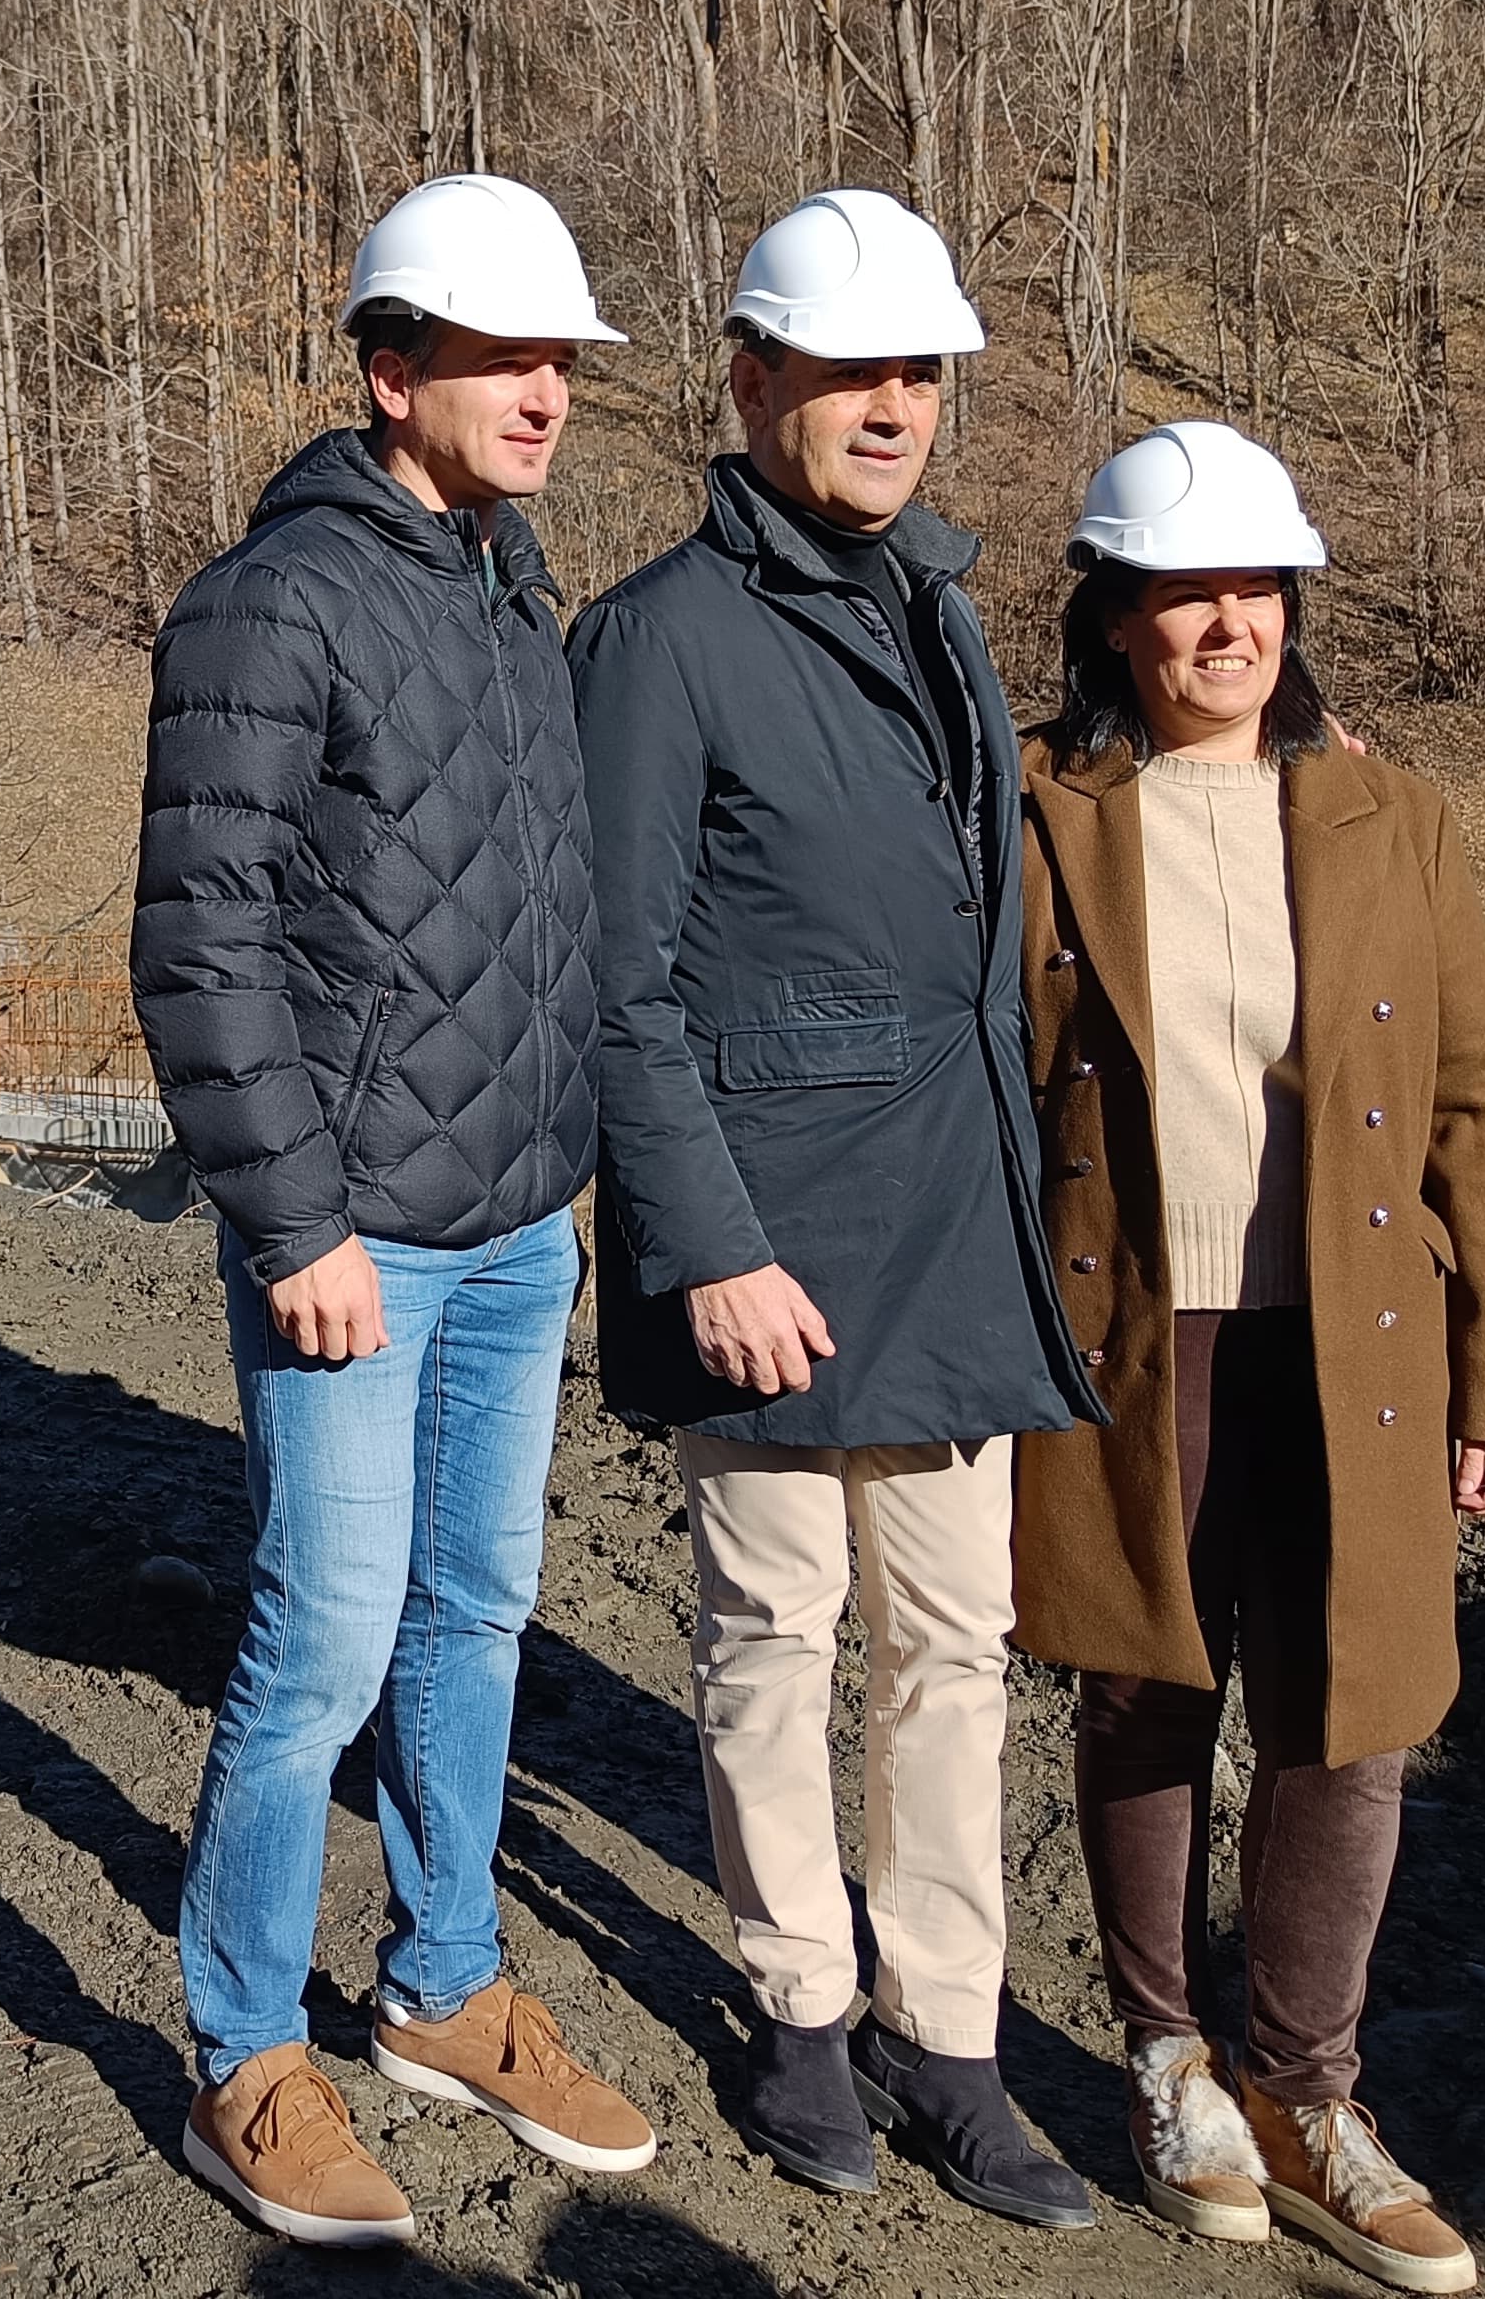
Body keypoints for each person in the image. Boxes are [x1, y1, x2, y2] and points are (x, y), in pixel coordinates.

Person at [133, 172, 662, 2252]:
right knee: (317, 1650)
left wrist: (574, 1180)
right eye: (503, 355)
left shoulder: (506, 585)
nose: (544, 389)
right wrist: (294, 1227)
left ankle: (440, 1989)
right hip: (354, 1241)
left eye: (560, 360)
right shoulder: (272, 605)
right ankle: (243, 2053)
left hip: (519, 1223)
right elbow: (201, 944)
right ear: (391, 368)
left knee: (474, 1618)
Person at [566, 190, 1104, 2230]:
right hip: (770, 1251)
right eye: (850, 370)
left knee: (954, 1653)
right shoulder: (653, 642)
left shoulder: (943, 615)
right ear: (751, 378)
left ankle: (944, 2039)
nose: (891, 405)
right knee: (773, 1638)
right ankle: (798, 2012)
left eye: (918, 374)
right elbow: (615, 983)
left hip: (945, 1230)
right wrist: (706, 1243)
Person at [1010, 420, 1485, 2297]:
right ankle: (1169, 2062)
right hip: (1139, 1329)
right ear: (1119, 615)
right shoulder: (1042, 814)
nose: (1221, 624)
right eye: (1179, 593)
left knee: (1353, 1712)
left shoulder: (1395, 817)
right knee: (1147, 1686)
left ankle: (1312, 2095)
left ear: (1290, 604)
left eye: (1250, 588)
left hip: (1362, 1344)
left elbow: (1477, 1105)